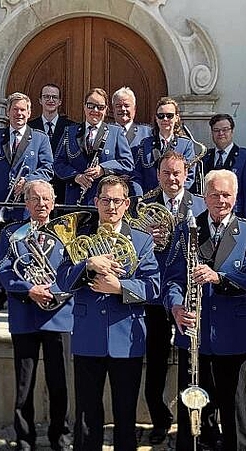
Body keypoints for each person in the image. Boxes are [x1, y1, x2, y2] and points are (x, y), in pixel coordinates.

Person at [55, 176, 160, 450]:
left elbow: (153, 287)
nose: (111, 206)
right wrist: (88, 264)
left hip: (127, 338)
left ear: (126, 204)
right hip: (88, 335)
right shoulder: (81, 237)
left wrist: (119, 287)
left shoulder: (142, 240)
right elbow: (63, 280)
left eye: (116, 201)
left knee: (125, 413)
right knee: (87, 414)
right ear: (96, 202)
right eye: (105, 200)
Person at [164, 169, 246, 451]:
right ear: (204, 197)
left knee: (233, 404)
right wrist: (175, 306)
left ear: (235, 197)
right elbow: (172, 277)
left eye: (226, 195)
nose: (221, 200)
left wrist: (219, 278)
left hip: (232, 332)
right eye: (215, 194)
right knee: (192, 401)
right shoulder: (187, 229)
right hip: (194, 331)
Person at [128, 150, 205, 445]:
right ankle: (160, 418)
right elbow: (132, 248)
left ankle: (193, 423)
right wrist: (149, 238)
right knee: (156, 360)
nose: (172, 179)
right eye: (166, 173)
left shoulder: (199, 204)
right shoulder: (143, 206)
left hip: (189, 294)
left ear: (185, 174)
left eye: (177, 173)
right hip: (154, 294)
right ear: (158, 175)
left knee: (193, 362)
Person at [0, 180, 73, 451]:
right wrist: (29, 289)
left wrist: (52, 291)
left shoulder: (69, 233)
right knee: (23, 385)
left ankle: (60, 437)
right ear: (26, 203)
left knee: (60, 383)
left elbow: (74, 272)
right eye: (35, 199)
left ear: (53, 203)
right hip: (25, 315)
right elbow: (4, 270)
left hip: (59, 315)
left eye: (46, 199)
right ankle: (24, 439)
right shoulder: (11, 234)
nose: (41, 204)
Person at [0, 92, 53, 223]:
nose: (19, 113)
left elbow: (48, 169)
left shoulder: (40, 138)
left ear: (29, 113)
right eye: (15, 109)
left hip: (25, 209)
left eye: (23, 110)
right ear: (8, 112)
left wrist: (28, 180)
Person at [53, 88, 134, 206]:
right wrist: (76, 176)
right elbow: (58, 163)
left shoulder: (116, 133)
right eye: (91, 105)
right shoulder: (69, 132)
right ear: (84, 107)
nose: (95, 110)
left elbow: (127, 163)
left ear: (106, 109)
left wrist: (103, 169)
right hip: (75, 198)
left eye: (100, 107)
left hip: (105, 201)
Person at [196, 114, 246, 219]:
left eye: (225, 129)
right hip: (208, 218)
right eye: (216, 130)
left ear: (232, 131)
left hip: (235, 217)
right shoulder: (205, 158)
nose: (221, 133)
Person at [132, 97, 196, 196]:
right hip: (149, 202)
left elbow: (189, 176)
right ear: (156, 118)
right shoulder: (145, 144)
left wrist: (173, 195)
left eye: (169, 116)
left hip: (175, 200)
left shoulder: (186, 145)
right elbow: (137, 175)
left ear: (176, 117)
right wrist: (140, 197)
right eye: (161, 116)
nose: (165, 119)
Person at [28, 83, 75, 202]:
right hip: (36, 188)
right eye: (46, 97)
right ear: (40, 100)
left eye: (54, 97)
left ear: (59, 102)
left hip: (64, 187)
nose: (50, 100)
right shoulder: (29, 128)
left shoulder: (71, 127)